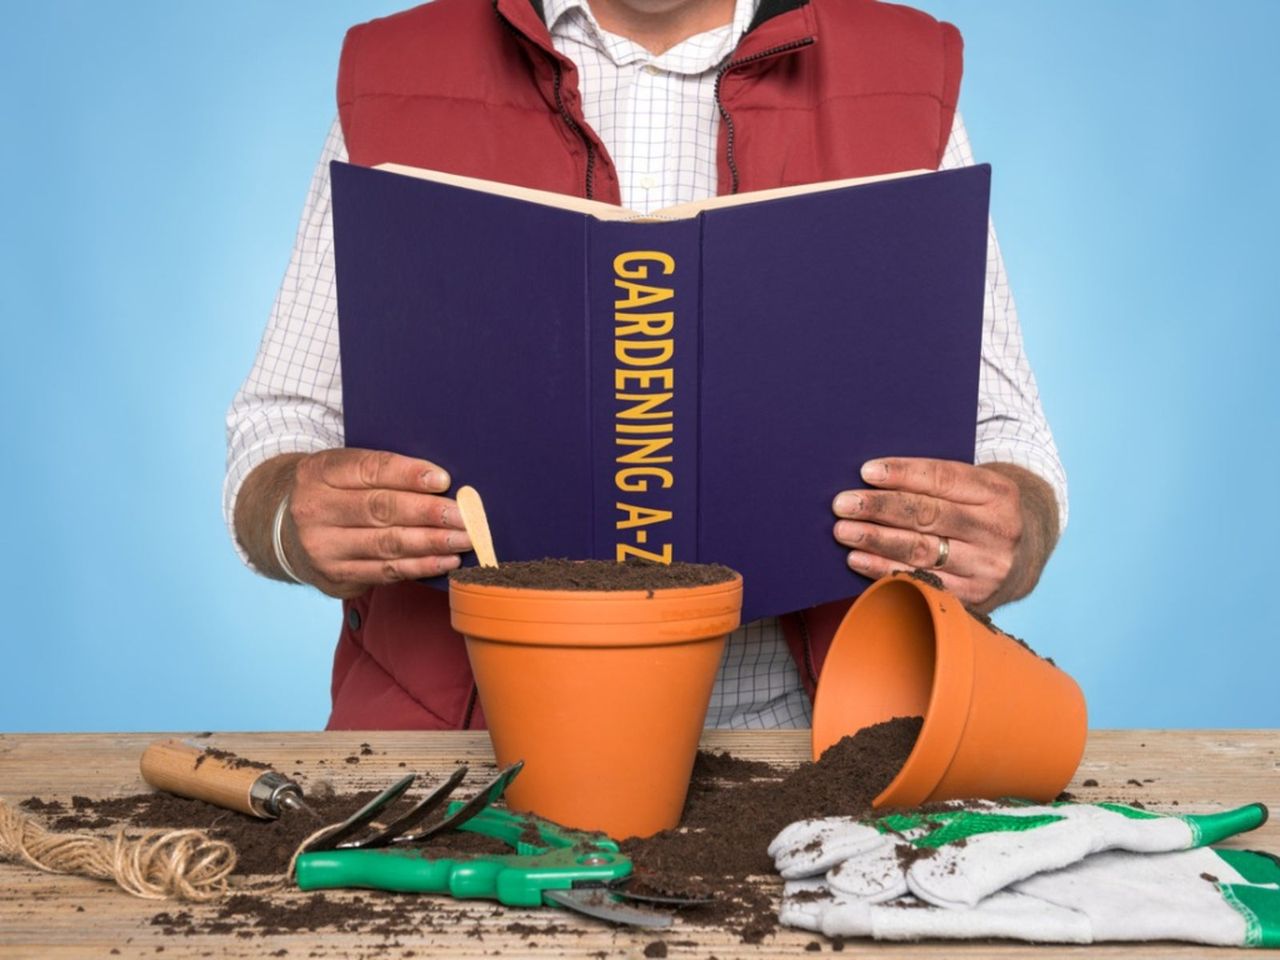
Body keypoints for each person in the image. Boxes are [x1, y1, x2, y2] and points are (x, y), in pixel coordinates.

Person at [225, 0, 1067, 731]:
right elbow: (280, 424)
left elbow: (1008, 436)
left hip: (820, 746)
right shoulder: (396, 76)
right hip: (471, 753)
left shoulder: (904, 79)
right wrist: (292, 523)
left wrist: (1007, 531)